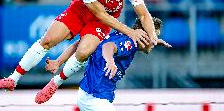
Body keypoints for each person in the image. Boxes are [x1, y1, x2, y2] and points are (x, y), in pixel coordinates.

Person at [0, 0, 158, 91]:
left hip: (102, 23)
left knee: (84, 52)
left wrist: (152, 37)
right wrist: (130, 31)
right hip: (80, 11)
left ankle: (55, 83)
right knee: (47, 40)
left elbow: (143, 15)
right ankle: (13, 79)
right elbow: (99, 13)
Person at [35, 17, 172, 110]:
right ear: (144, 34)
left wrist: (59, 61)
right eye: (155, 36)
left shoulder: (120, 35)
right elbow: (109, 47)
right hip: (95, 97)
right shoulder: (129, 43)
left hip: (89, 94)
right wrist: (110, 61)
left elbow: (82, 43)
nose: (155, 40)